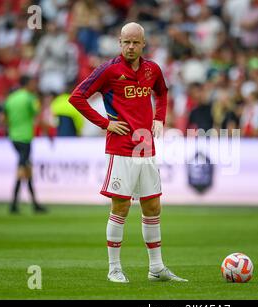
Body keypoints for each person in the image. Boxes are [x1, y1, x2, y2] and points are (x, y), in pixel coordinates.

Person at [68, 22, 187, 283]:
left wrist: (159, 118)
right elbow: (77, 97)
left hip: (146, 148)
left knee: (153, 206)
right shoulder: (109, 70)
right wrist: (105, 123)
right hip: (121, 148)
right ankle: (114, 269)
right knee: (121, 206)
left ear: (144, 44)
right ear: (119, 43)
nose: (131, 46)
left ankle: (156, 269)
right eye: (126, 42)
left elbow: (163, 93)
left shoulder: (152, 69)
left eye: (135, 42)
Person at [4, 75, 47, 214]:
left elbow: (5, 118)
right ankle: (13, 204)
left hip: (14, 137)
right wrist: (48, 131)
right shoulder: (30, 98)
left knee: (27, 169)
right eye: (33, 83)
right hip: (25, 138)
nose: (35, 86)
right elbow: (37, 117)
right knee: (22, 168)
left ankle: (35, 203)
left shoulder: (11, 98)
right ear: (27, 84)